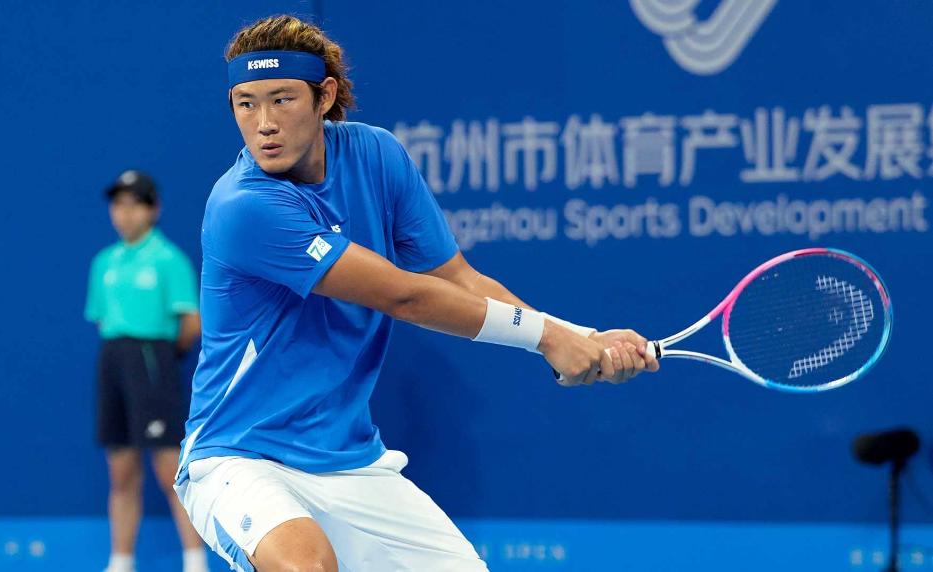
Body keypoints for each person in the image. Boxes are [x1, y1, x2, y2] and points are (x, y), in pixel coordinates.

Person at [174, 15, 659, 572]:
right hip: (239, 454)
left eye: (282, 100)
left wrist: (579, 336)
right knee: (306, 566)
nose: (264, 124)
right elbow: (406, 296)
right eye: (246, 104)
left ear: (324, 96)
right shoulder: (244, 206)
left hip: (349, 460)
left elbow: (460, 280)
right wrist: (549, 339)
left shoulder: (377, 155)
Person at [85, 170, 209, 572]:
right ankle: (121, 562)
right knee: (120, 470)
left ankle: (195, 561)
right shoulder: (104, 262)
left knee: (169, 469)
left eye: (134, 204)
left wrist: (161, 359)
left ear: (153, 209)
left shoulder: (169, 259)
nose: (124, 213)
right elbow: (102, 319)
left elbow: (191, 323)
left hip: (153, 362)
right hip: (113, 361)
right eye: (117, 204)